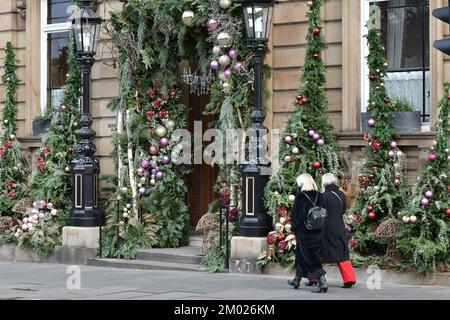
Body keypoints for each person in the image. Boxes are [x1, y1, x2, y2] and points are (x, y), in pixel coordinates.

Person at [287, 173, 328, 293]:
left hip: (304, 232)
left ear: (302, 182)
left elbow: (297, 215)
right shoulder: (320, 195)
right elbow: (325, 212)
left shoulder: (300, 196)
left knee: (309, 256)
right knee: (302, 255)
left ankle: (322, 282)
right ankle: (297, 279)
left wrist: (293, 228)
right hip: (318, 230)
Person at [321, 173, 357, 288]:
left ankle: (314, 277)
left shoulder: (323, 196)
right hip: (339, 226)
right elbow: (343, 210)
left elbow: (320, 213)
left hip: (326, 228)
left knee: (317, 251)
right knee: (342, 252)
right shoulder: (341, 194)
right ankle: (349, 279)